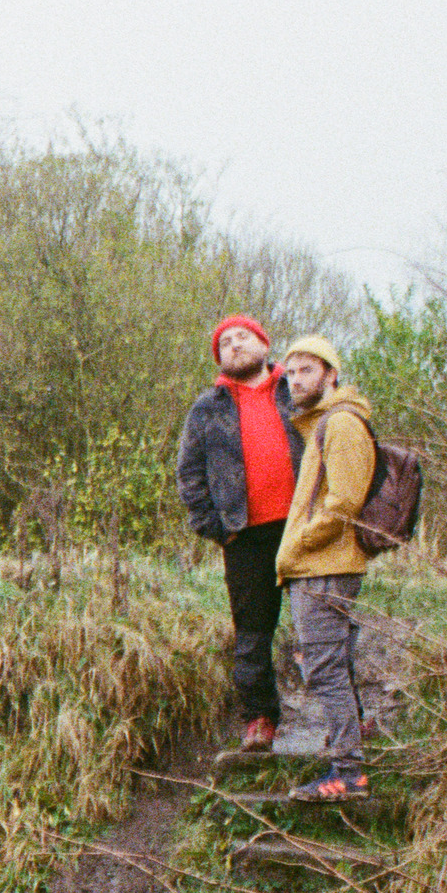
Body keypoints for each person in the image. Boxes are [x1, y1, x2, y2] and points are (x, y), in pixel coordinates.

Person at [173, 314, 300, 751]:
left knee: (324, 625)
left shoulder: (296, 391)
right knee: (252, 634)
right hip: (245, 537)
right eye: (225, 342)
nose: (234, 345)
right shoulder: (207, 408)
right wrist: (215, 527)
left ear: (264, 343)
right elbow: (189, 474)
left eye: (243, 336)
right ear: (219, 359)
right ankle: (260, 719)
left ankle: (347, 716)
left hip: (306, 529)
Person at [272, 334, 378, 803]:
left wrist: (299, 544)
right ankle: (345, 751)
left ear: (331, 375)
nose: (296, 381)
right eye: (291, 372)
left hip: (324, 566)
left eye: (307, 371)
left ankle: (348, 773)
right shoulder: (323, 423)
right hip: (319, 565)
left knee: (324, 670)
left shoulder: (342, 423)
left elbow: (344, 503)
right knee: (329, 664)